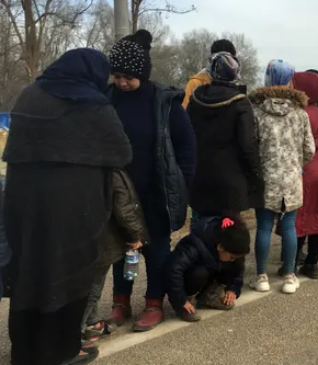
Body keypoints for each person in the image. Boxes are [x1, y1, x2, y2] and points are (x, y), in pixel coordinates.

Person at [4, 49, 132, 365]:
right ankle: (61, 352)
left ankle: (26, 353)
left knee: (30, 275)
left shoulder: (28, 96)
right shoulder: (93, 104)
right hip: (76, 210)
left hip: (26, 206)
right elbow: (123, 153)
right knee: (68, 277)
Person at [108, 30, 197, 332]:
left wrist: (181, 185)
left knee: (156, 251)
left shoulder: (164, 102)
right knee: (120, 251)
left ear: (143, 74)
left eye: (128, 77)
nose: (122, 82)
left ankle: (154, 303)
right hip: (118, 194)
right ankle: (120, 302)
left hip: (155, 192)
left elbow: (187, 148)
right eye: (117, 76)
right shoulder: (108, 100)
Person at [248, 59, 315, 294]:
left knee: (264, 227)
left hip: (266, 179)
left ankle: (262, 276)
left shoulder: (256, 111)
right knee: (289, 227)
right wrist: (296, 164)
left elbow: (251, 147)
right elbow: (310, 149)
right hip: (291, 178)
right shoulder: (300, 113)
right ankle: (289, 275)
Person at [187, 52, 262, 220]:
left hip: (200, 176)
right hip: (230, 180)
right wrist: (256, 174)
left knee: (199, 228)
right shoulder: (240, 103)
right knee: (228, 235)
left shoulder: (195, 99)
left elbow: (187, 136)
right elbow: (247, 145)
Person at [81, 167, 147, 347]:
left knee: (87, 282)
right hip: (103, 239)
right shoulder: (111, 169)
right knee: (92, 289)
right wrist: (135, 235)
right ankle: (74, 336)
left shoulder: (79, 165)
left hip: (80, 237)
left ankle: (92, 324)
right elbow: (124, 207)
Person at [291, 71, 318, 279]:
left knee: (299, 216)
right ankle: (313, 263)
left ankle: (292, 261)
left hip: (303, 168)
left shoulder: (300, 112)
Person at [164, 216, 249, 322]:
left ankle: (209, 296)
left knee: (233, 264)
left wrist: (233, 288)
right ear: (220, 247)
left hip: (211, 273)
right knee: (199, 273)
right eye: (232, 257)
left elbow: (239, 267)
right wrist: (180, 300)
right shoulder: (194, 245)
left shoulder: (232, 248)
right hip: (190, 279)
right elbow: (173, 270)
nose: (233, 260)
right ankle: (186, 304)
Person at [182, 39, 238, 109]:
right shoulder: (195, 84)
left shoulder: (235, 87)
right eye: (221, 61)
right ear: (212, 60)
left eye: (230, 62)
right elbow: (185, 112)